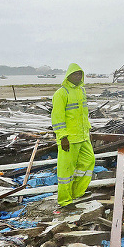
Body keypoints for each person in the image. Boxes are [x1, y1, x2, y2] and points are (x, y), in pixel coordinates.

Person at [51, 63, 95, 208]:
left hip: (83, 137)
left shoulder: (82, 91)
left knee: (89, 161)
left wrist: (88, 131)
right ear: (68, 75)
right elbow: (57, 118)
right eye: (75, 74)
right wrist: (63, 137)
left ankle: (76, 192)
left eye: (80, 74)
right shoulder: (61, 93)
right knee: (66, 171)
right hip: (69, 139)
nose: (78, 77)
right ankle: (65, 200)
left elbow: (83, 114)